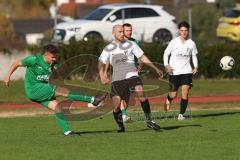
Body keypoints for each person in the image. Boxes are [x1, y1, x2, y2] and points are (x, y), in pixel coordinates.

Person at [4, 44, 106, 136]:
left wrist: (53, 68)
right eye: (53, 56)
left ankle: (67, 132)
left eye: (55, 56)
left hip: (42, 90)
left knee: (57, 107)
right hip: (33, 89)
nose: (55, 58)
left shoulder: (53, 64)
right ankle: (93, 100)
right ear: (46, 55)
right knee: (63, 91)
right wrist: (8, 76)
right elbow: (16, 64)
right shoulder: (34, 60)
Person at [98, 24, 162, 132]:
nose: (122, 33)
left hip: (132, 75)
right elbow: (100, 62)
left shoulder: (131, 44)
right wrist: (102, 75)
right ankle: (120, 125)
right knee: (117, 106)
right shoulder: (108, 48)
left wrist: (155, 68)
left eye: (123, 31)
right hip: (118, 79)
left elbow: (142, 57)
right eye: (120, 32)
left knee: (140, 91)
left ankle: (149, 120)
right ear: (114, 33)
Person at [103, 23, 142, 123]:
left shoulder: (134, 42)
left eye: (130, 30)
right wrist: (105, 72)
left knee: (127, 96)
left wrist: (139, 67)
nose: (129, 32)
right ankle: (123, 114)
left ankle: (123, 113)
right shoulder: (114, 44)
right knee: (120, 97)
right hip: (119, 74)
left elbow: (139, 56)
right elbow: (108, 59)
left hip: (132, 73)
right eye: (127, 30)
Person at [163, 21, 198, 120]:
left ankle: (181, 115)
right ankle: (168, 99)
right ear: (179, 31)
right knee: (173, 94)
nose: (184, 32)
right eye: (182, 30)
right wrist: (166, 65)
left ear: (188, 31)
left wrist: (195, 66)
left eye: (186, 30)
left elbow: (194, 56)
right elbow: (166, 53)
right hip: (174, 72)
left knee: (185, 92)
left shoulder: (192, 43)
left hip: (187, 72)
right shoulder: (174, 42)